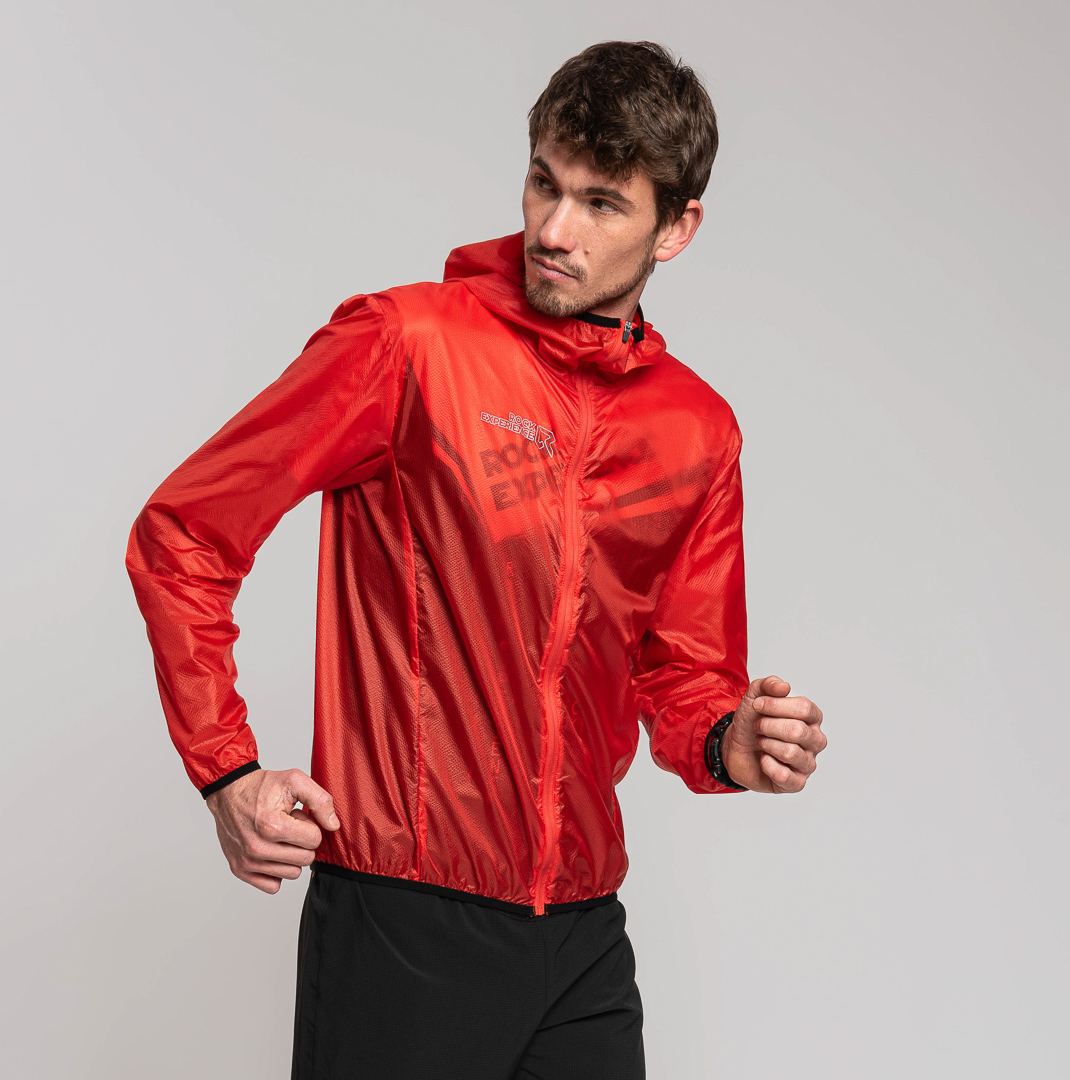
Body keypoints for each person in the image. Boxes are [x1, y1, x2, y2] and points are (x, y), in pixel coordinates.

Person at [127, 40, 826, 1080]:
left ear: (677, 228)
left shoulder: (696, 430)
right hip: (404, 917)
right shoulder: (406, 345)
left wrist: (732, 743)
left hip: (580, 932)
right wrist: (225, 769)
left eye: (601, 203)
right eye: (545, 183)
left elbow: (685, 676)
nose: (554, 229)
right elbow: (185, 531)